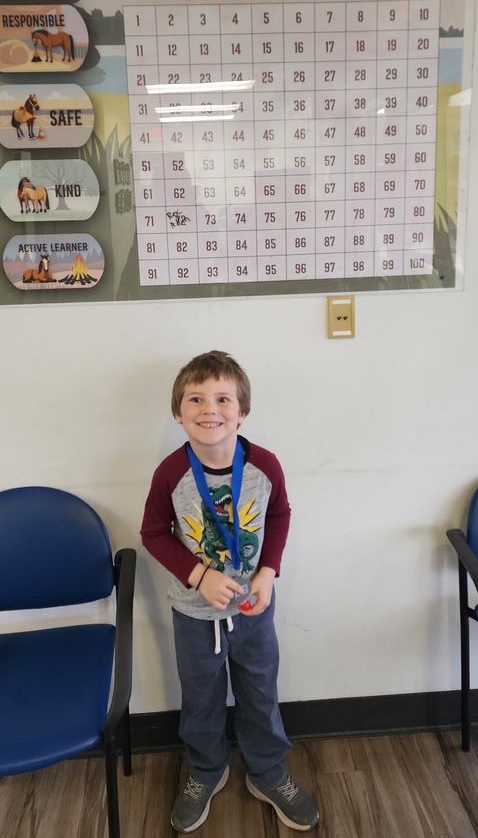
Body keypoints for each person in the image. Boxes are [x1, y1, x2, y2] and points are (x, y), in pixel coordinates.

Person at [141, 350, 319, 833]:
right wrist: (199, 576)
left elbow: (280, 514)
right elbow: (154, 533)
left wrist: (268, 572)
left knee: (260, 691)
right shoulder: (168, 474)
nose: (209, 409)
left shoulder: (264, 464)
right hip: (194, 615)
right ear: (178, 412)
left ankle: (268, 772)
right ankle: (205, 770)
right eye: (195, 399)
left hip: (254, 608)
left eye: (223, 398)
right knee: (201, 696)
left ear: (242, 411)